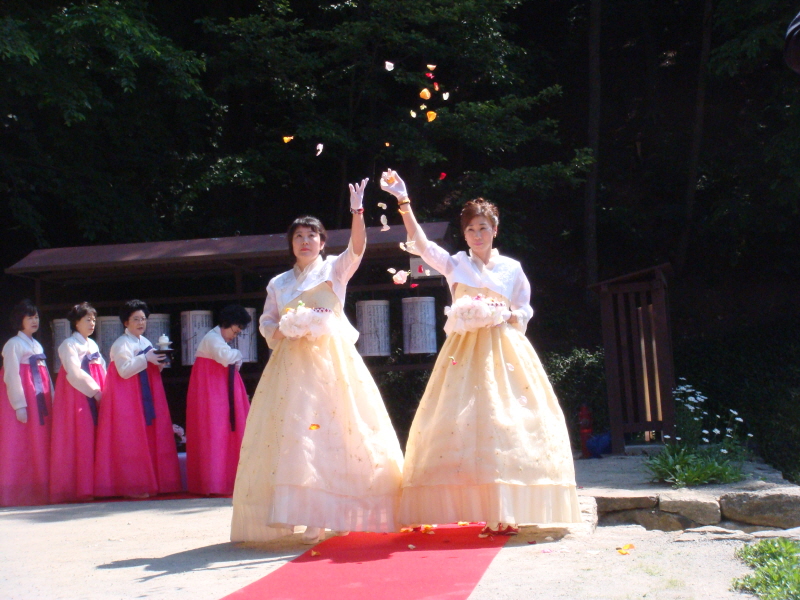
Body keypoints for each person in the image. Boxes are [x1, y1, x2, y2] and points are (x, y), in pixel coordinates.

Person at [380, 169, 582, 534]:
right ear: (464, 233)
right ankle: (480, 505)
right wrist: (403, 201)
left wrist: (506, 314)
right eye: (471, 229)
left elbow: (524, 308)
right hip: (464, 351)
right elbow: (422, 245)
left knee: (507, 420)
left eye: (483, 228)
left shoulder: (511, 269)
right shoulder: (456, 263)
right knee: (462, 422)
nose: (477, 235)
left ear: (495, 230)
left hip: (504, 350)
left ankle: (506, 508)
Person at [231, 179, 404, 544]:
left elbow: (357, 248)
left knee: (339, 431)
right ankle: (310, 515)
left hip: (332, 363)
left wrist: (357, 211)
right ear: (291, 244)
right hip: (291, 368)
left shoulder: (333, 270)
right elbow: (267, 321)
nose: (306, 241)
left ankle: (341, 510)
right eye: (299, 236)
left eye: (312, 235)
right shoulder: (279, 283)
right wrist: (285, 329)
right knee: (298, 436)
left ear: (323, 242)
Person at [94, 300, 181, 498]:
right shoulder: (121, 343)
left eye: (143, 319)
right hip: (127, 397)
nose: (141, 323)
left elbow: (151, 369)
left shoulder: (145, 342)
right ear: (126, 322)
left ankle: (153, 482)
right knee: (131, 437)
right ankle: (132, 485)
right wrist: (146, 358)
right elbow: (124, 371)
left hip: (145, 394)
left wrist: (160, 362)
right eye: (136, 319)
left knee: (149, 435)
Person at [186, 304, 252, 496]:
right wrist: (239, 354)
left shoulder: (216, 339)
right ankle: (216, 482)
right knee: (215, 432)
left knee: (220, 432)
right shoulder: (213, 339)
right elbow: (227, 357)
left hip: (217, 390)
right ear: (227, 323)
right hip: (213, 392)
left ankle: (223, 481)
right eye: (235, 331)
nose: (234, 335)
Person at [50, 302, 106, 503]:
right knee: (80, 438)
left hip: (95, 391)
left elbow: (102, 368)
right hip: (77, 395)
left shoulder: (93, 345)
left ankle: (96, 485)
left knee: (96, 436)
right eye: (87, 319)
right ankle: (78, 487)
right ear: (76, 322)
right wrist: (95, 391)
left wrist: (104, 390)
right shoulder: (68, 344)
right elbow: (73, 373)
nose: (92, 323)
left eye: (93, 320)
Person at [0, 300, 54, 506]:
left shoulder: (36, 344)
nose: (34, 321)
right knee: (20, 443)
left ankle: (39, 491)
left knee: (38, 443)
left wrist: (52, 398)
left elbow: (45, 375)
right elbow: (11, 376)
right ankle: (16, 493)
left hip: (39, 401)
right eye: (30, 317)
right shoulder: (13, 344)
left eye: (36, 317)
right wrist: (19, 405)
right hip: (24, 400)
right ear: (19, 320)